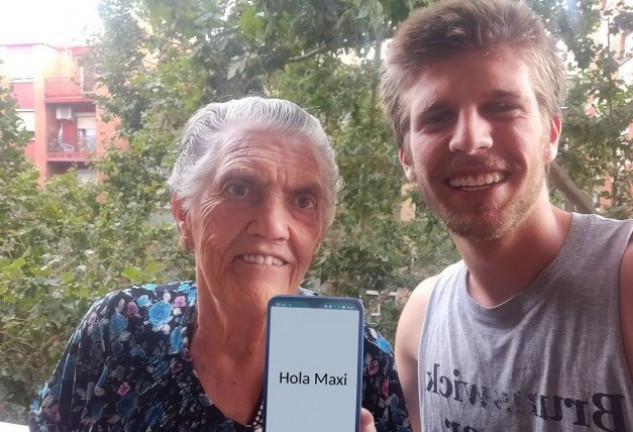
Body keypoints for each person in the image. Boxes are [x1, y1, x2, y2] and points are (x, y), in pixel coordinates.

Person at [29, 97, 410, 431]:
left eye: (304, 201)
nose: (274, 226)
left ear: (320, 230)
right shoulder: (120, 330)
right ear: (184, 213)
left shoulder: (363, 362)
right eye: (239, 189)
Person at [380, 0, 633, 430]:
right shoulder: (420, 324)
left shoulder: (624, 284)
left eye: (501, 107)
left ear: (551, 132)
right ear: (407, 157)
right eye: (437, 117)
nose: (470, 140)